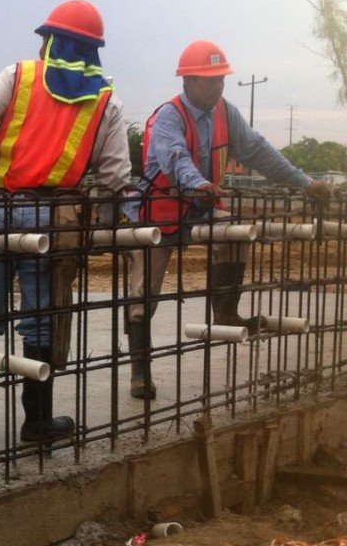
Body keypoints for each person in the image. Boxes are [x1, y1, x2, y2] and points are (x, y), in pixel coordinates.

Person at [0, 0, 132, 443]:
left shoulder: (18, 76)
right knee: (42, 319)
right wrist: (95, 224)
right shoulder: (106, 100)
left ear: (50, 40)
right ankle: (38, 421)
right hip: (53, 218)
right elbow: (115, 175)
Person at [123, 40, 332, 399]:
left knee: (237, 230)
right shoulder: (168, 117)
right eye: (210, 79)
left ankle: (226, 313)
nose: (219, 85)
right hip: (159, 213)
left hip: (201, 207)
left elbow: (259, 151)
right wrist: (199, 183)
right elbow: (175, 159)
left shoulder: (224, 112)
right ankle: (140, 372)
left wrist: (304, 182)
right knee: (143, 296)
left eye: (221, 78)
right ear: (188, 81)